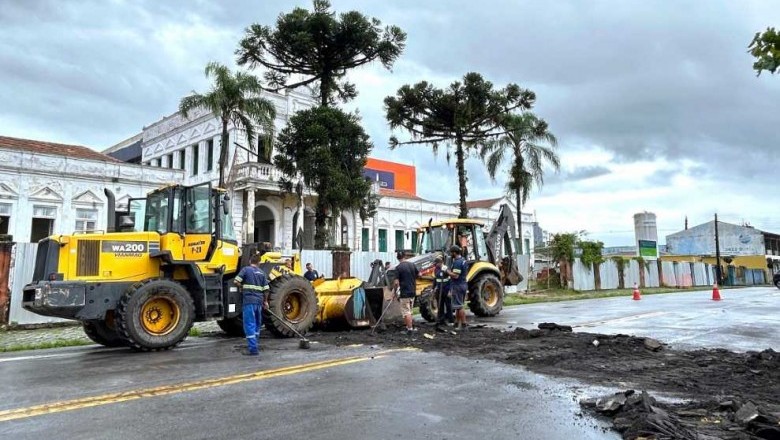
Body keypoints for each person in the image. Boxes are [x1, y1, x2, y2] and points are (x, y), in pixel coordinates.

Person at [234, 253, 270, 356]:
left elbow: (236, 281)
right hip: (259, 302)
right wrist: (265, 301)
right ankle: (255, 344)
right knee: (257, 324)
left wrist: (242, 286)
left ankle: (253, 349)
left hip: (249, 301)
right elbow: (266, 289)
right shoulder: (262, 273)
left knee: (249, 324)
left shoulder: (246, 270)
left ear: (250, 261)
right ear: (259, 263)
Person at [393, 251, 419, 335]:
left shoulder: (398, 268)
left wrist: (394, 292)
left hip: (405, 293)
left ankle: (410, 330)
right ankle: (409, 327)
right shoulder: (412, 265)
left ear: (398, 258)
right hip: (412, 291)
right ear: (405, 256)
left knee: (406, 311)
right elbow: (418, 275)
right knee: (410, 311)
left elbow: (396, 282)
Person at [448, 245, 468, 331]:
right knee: (457, 305)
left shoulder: (457, 262)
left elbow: (455, 276)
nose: (450, 254)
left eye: (451, 252)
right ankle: (456, 323)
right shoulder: (463, 260)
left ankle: (463, 325)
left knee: (459, 306)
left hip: (457, 286)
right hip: (463, 284)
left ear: (454, 253)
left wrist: (447, 271)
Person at [433, 256, 453, 331]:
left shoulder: (446, 269)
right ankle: (441, 319)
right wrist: (434, 288)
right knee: (440, 305)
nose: (435, 265)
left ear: (440, 263)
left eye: (436, 263)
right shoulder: (436, 269)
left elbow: (450, 280)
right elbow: (435, 279)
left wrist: (450, 290)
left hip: (446, 289)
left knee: (448, 305)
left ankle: (450, 320)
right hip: (439, 290)